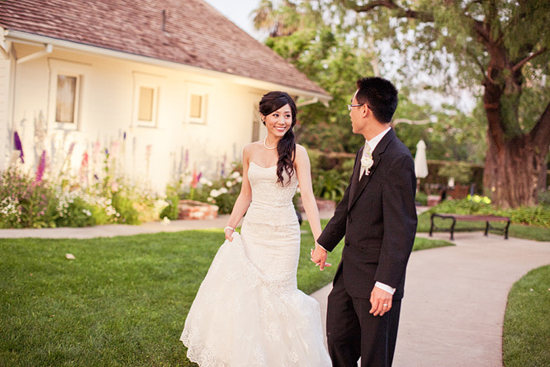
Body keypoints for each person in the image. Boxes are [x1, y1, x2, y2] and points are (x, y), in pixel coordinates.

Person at [180, 91, 331, 367]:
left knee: (280, 292)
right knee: (250, 294)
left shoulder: (298, 153)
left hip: (284, 234)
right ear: (263, 117)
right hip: (253, 232)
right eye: (276, 115)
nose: (282, 121)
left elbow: (307, 197)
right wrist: (230, 224)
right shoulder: (249, 150)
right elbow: (245, 194)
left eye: (288, 115)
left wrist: (320, 240)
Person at [311, 77, 418, 367]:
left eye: (352, 105)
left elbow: (402, 228)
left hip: (376, 281)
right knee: (338, 341)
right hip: (349, 275)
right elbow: (349, 204)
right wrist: (324, 243)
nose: (349, 112)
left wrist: (386, 284)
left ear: (365, 110)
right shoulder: (365, 151)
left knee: (374, 358)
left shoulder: (399, 159)